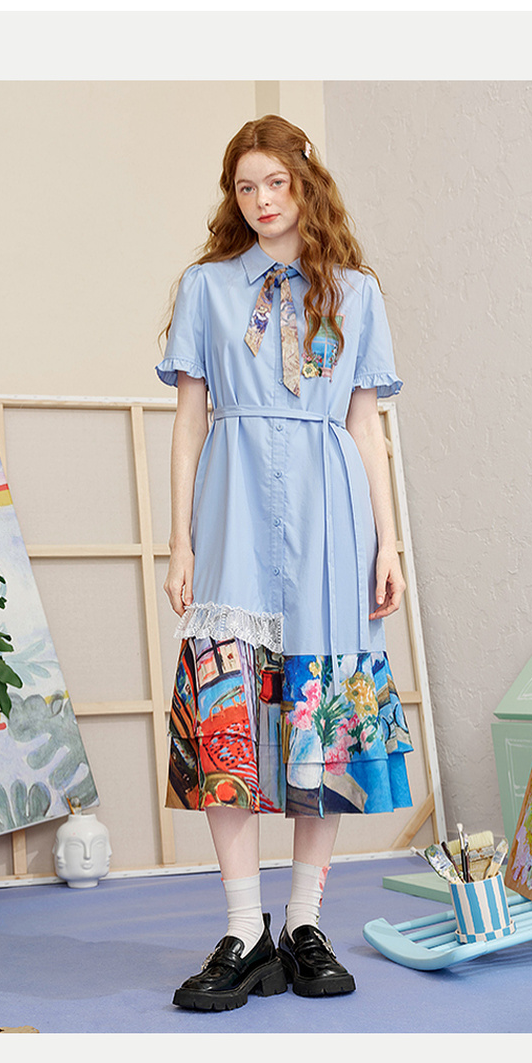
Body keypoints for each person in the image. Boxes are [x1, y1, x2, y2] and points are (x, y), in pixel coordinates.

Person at [157, 115, 413, 1012]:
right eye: (245, 186)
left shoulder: (357, 293)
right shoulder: (206, 288)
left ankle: (304, 922)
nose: (262, 201)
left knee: (320, 712)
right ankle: (243, 928)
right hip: (232, 509)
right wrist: (181, 539)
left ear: (306, 183)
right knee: (227, 705)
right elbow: (189, 420)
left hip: (330, 512)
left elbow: (366, 425)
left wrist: (387, 540)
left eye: (276, 182)